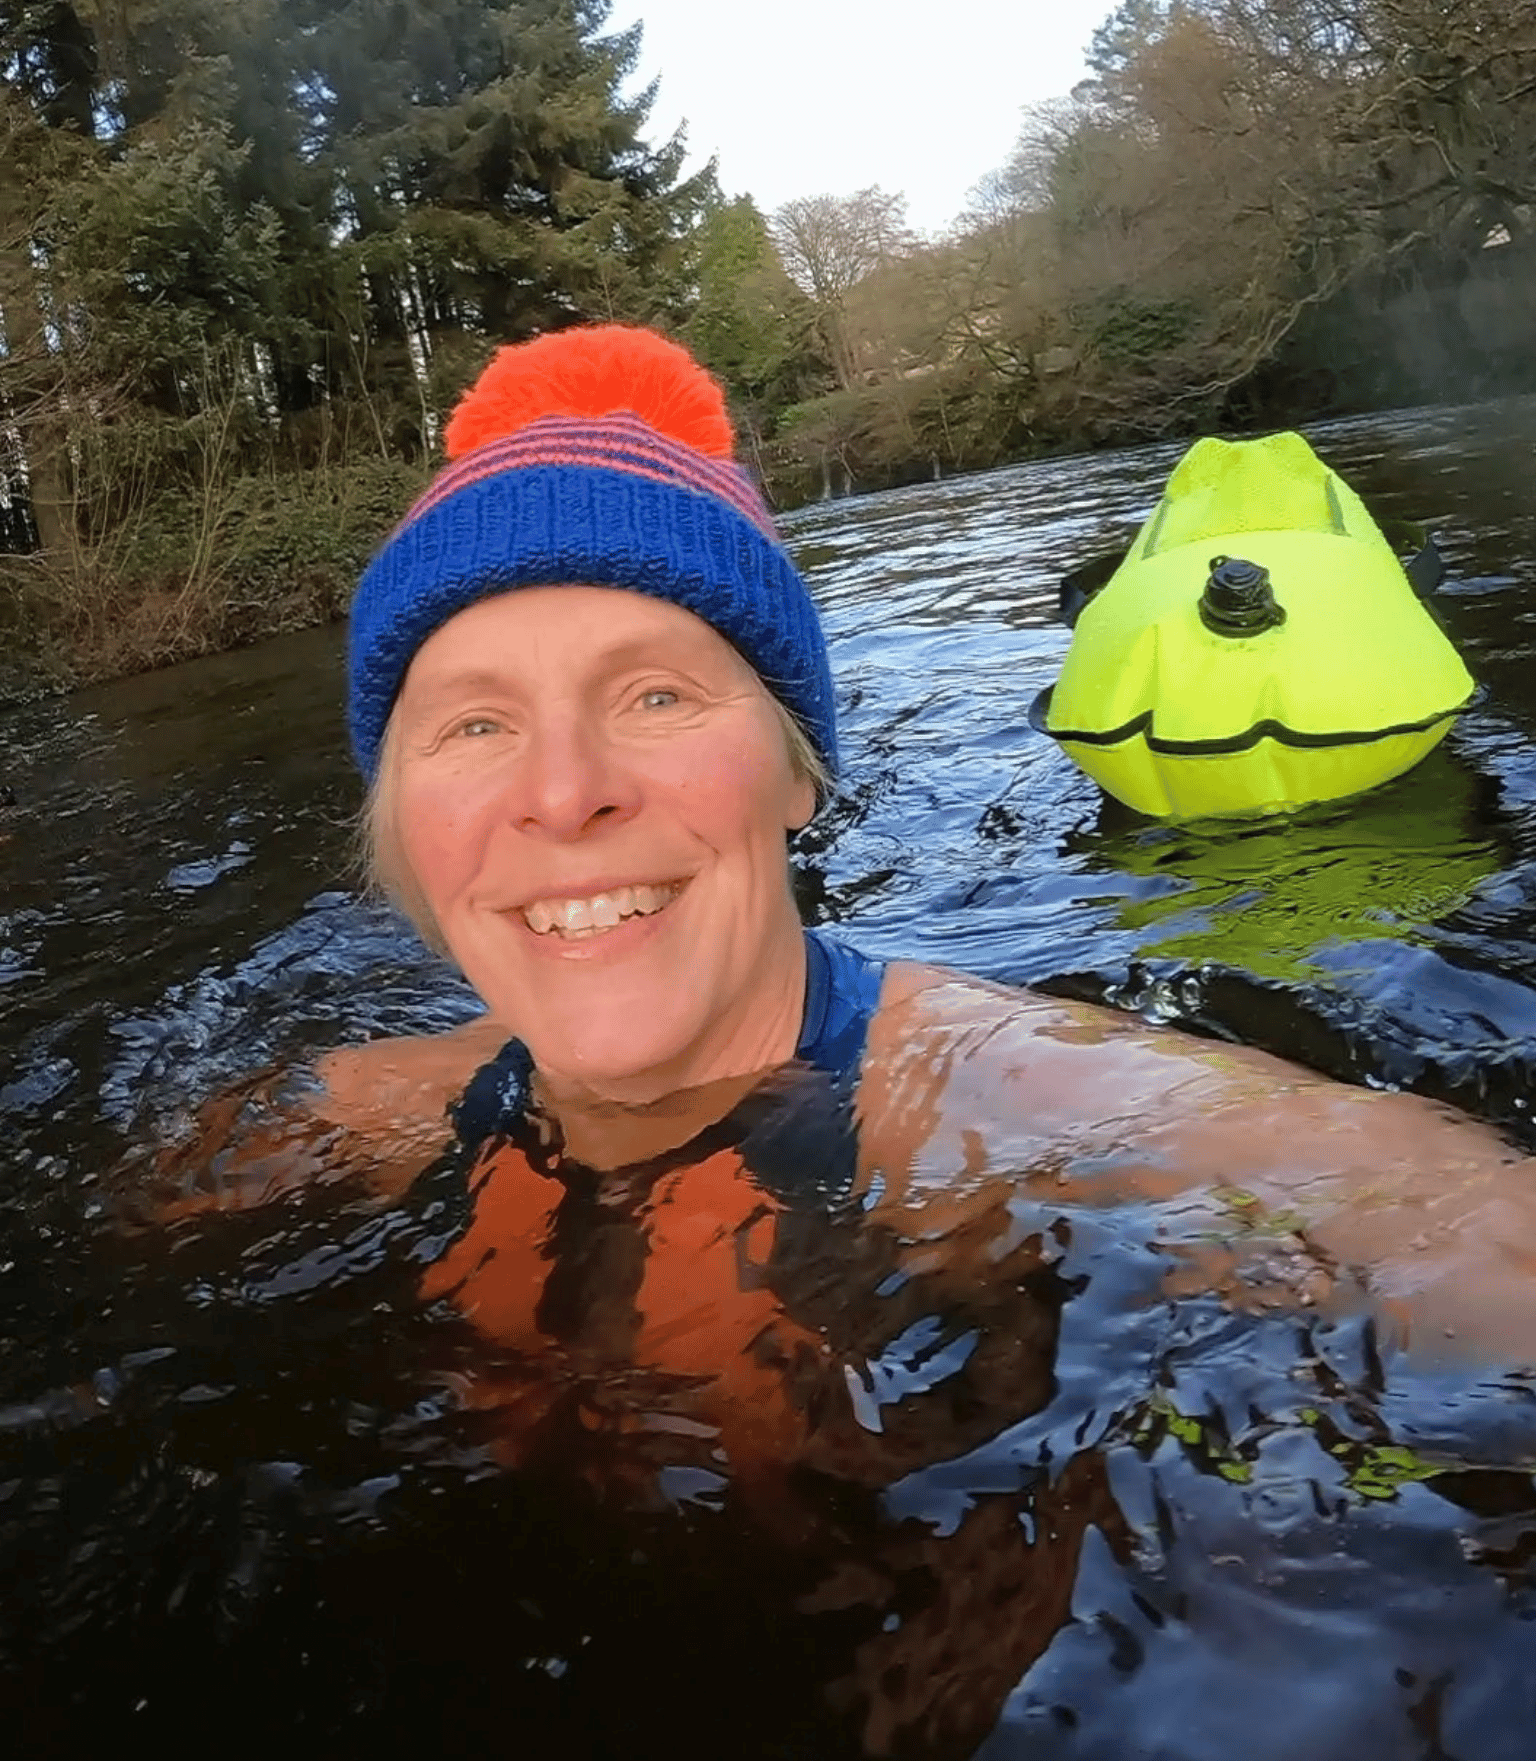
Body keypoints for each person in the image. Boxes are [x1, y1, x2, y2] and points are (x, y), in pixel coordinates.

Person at [148, 322, 1536, 1756]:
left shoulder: (1027, 1099)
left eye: (657, 695)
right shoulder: (352, 1119)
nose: (564, 795)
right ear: (400, 838)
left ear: (796, 773)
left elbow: (1463, 1236)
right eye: (473, 725)